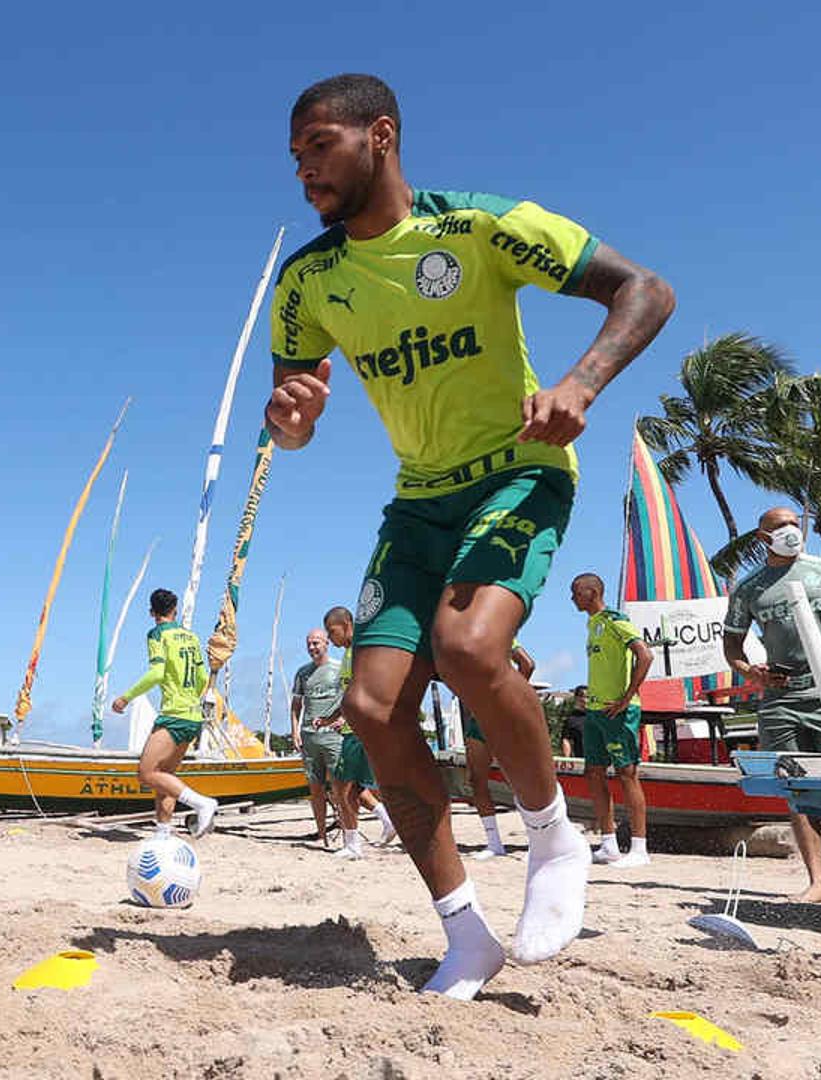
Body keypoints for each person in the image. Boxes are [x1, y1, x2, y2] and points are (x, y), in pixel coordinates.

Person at [263, 74, 674, 999]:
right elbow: (292, 418)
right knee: (370, 709)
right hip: (417, 502)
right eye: (294, 157)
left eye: (319, 147)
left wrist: (581, 384)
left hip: (518, 470)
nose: (304, 172)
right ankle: (465, 931)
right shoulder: (309, 280)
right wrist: (293, 420)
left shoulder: (479, 226)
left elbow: (644, 289)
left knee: (468, 646)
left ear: (381, 135)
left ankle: (555, 836)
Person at [723, 506, 821, 901]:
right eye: (780, 527)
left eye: (794, 524)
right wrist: (749, 672)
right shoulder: (749, 589)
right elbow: (732, 645)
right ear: (763, 538)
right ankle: (816, 880)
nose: (791, 531)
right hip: (781, 695)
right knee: (795, 786)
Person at [111, 589, 221, 837]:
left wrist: (125, 698)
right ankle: (163, 834)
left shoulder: (157, 634)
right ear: (176, 610)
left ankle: (202, 803)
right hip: (193, 717)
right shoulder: (192, 637)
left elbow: (157, 673)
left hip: (174, 715)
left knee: (146, 773)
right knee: (165, 777)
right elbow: (203, 677)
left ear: (152, 612)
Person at [569, 573, 653, 868]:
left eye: (576, 592)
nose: (572, 598)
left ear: (591, 592)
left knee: (627, 774)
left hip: (618, 711)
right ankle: (608, 844)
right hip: (594, 710)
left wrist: (628, 697)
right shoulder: (591, 624)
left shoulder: (615, 620)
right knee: (593, 773)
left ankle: (640, 849)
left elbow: (645, 655)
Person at [322, 606, 395, 860]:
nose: (330, 638)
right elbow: (347, 696)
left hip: (358, 731)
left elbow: (368, 689)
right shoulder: (350, 653)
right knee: (353, 788)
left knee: (341, 788)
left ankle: (354, 845)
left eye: (332, 632)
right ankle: (384, 822)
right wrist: (330, 718)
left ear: (346, 624)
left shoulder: (361, 651)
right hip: (352, 728)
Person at [460, 641, 536, 859]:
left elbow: (528, 664)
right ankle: (494, 843)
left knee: (518, 781)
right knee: (476, 779)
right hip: (479, 715)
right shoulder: (464, 637)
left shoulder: (497, 634)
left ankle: (537, 841)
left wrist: (508, 697)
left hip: (500, 714)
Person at [291, 627, 346, 846]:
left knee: (340, 787)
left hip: (333, 736)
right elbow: (296, 705)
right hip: (309, 737)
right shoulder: (303, 672)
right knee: (316, 789)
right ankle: (321, 834)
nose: (312, 647)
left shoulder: (339, 668)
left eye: (316, 643)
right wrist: (295, 730)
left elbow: (350, 697)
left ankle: (347, 833)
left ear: (326, 643)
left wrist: (345, 720)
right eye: (309, 644)